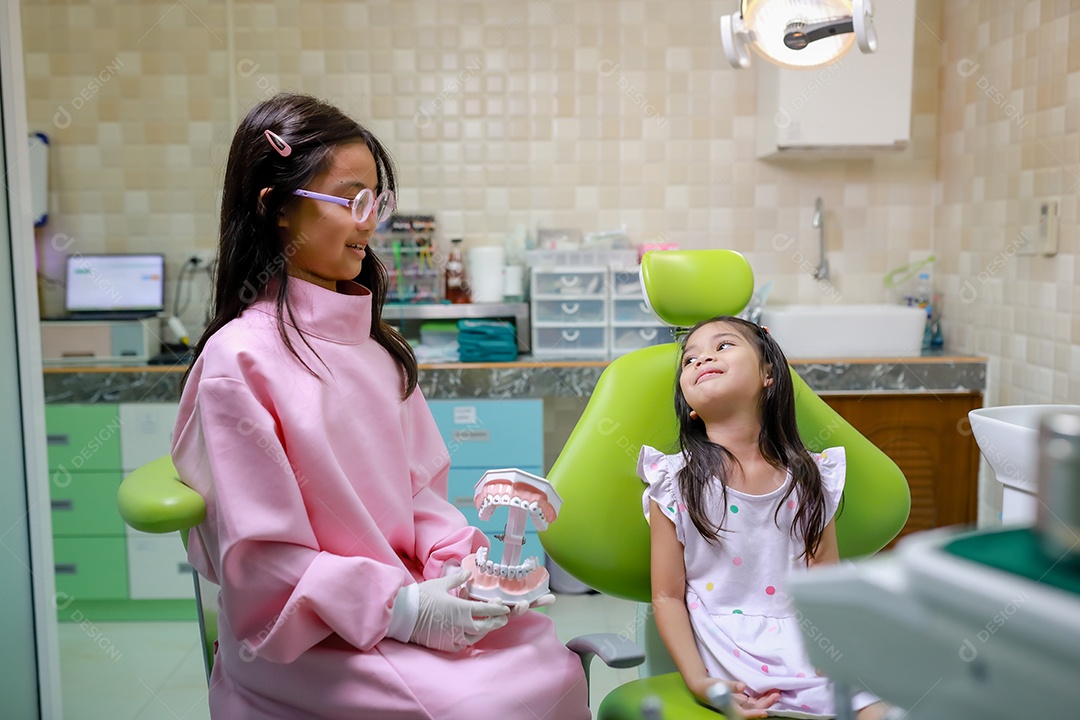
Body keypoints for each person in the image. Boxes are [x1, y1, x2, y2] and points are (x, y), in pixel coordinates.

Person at [172, 92, 589, 720]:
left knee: (544, 660)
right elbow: (264, 563)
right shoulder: (241, 362)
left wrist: (465, 569)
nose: (370, 223)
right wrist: (403, 609)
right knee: (489, 704)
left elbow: (420, 497)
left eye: (377, 200)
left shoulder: (372, 348)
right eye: (352, 200)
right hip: (311, 637)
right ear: (278, 209)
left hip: (401, 596)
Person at [640, 316, 890, 720]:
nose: (702, 358)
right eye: (689, 360)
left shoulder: (811, 476)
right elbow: (666, 596)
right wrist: (699, 681)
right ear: (689, 408)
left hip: (805, 638)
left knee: (873, 708)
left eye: (723, 346)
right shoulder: (673, 482)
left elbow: (824, 575)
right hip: (727, 648)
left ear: (767, 374)